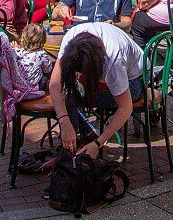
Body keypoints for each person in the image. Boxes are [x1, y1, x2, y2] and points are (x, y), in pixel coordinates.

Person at [48, 22, 143, 160]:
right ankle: (78, 142)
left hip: (134, 80)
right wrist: (64, 122)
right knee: (67, 98)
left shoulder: (114, 60)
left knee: (71, 100)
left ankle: (73, 152)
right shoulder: (71, 39)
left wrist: (98, 143)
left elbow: (125, 108)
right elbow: (55, 85)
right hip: (118, 66)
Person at [13, 23, 54, 91]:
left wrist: (15, 48)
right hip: (34, 88)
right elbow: (48, 70)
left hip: (18, 86)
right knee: (49, 69)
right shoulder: (41, 54)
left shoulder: (17, 51)